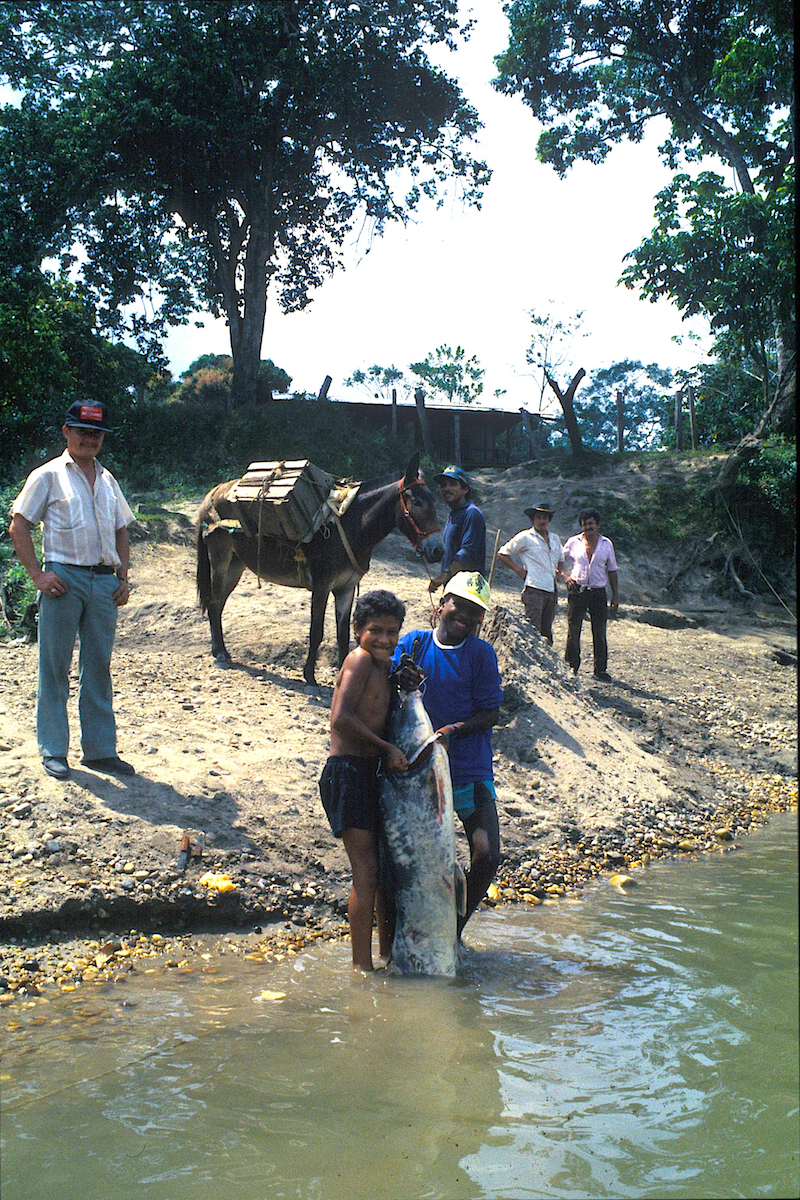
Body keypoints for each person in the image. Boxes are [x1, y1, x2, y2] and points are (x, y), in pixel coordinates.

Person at [9, 401, 136, 781]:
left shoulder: (108, 479)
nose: (89, 438)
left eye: (96, 433)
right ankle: (53, 751)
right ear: (66, 431)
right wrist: (38, 575)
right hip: (62, 580)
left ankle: (99, 751)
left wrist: (123, 576)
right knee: (54, 667)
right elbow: (20, 525)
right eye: (82, 430)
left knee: (98, 667)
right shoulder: (47, 475)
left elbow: (122, 530)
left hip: (103, 583)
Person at [393, 571, 503, 937]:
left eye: (475, 610)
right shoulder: (413, 643)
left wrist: (454, 730)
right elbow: (385, 675)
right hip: (417, 772)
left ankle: (453, 929)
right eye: (459, 604)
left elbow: (491, 712)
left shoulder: (482, 655)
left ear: (481, 619)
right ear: (442, 604)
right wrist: (400, 676)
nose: (465, 615)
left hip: (468, 770)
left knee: (487, 856)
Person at [319, 589, 410, 972]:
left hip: (369, 774)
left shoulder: (383, 667)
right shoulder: (357, 660)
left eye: (393, 632)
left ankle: (386, 955)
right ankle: (361, 967)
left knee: (384, 869)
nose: (385, 640)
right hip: (347, 773)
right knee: (366, 872)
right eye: (376, 631)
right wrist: (386, 747)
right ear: (357, 630)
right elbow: (340, 718)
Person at [562, 507, 619, 681]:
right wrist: (565, 576)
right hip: (577, 591)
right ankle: (571, 666)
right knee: (574, 629)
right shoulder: (573, 542)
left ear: (597, 524)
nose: (588, 527)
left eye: (591, 523)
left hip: (598, 592)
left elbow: (612, 570)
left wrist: (615, 595)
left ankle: (600, 669)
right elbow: (557, 561)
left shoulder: (606, 544)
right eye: (585, 524)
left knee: (600, 631)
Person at [497, 503, 565, 644]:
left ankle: (547, 664)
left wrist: (558, 573)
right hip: (534, 589)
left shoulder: (555, 539)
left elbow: (561, 558)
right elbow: (503, 553)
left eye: (545, 518)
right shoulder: (526, 537)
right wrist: (519, 570)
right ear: (533, 520)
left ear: (549, 520)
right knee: (533, 631)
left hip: (551, 590)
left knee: (547, 630)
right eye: (538, 517)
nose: (541, 521)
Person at [427, 465, 486, 593]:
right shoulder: (454, 514)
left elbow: (467, 553)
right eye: (443, 485)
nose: (446, 488)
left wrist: (444, 576)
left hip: (468, 590)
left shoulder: (471, 513)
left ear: (465, 489)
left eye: (453, 484)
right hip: (454, 588)